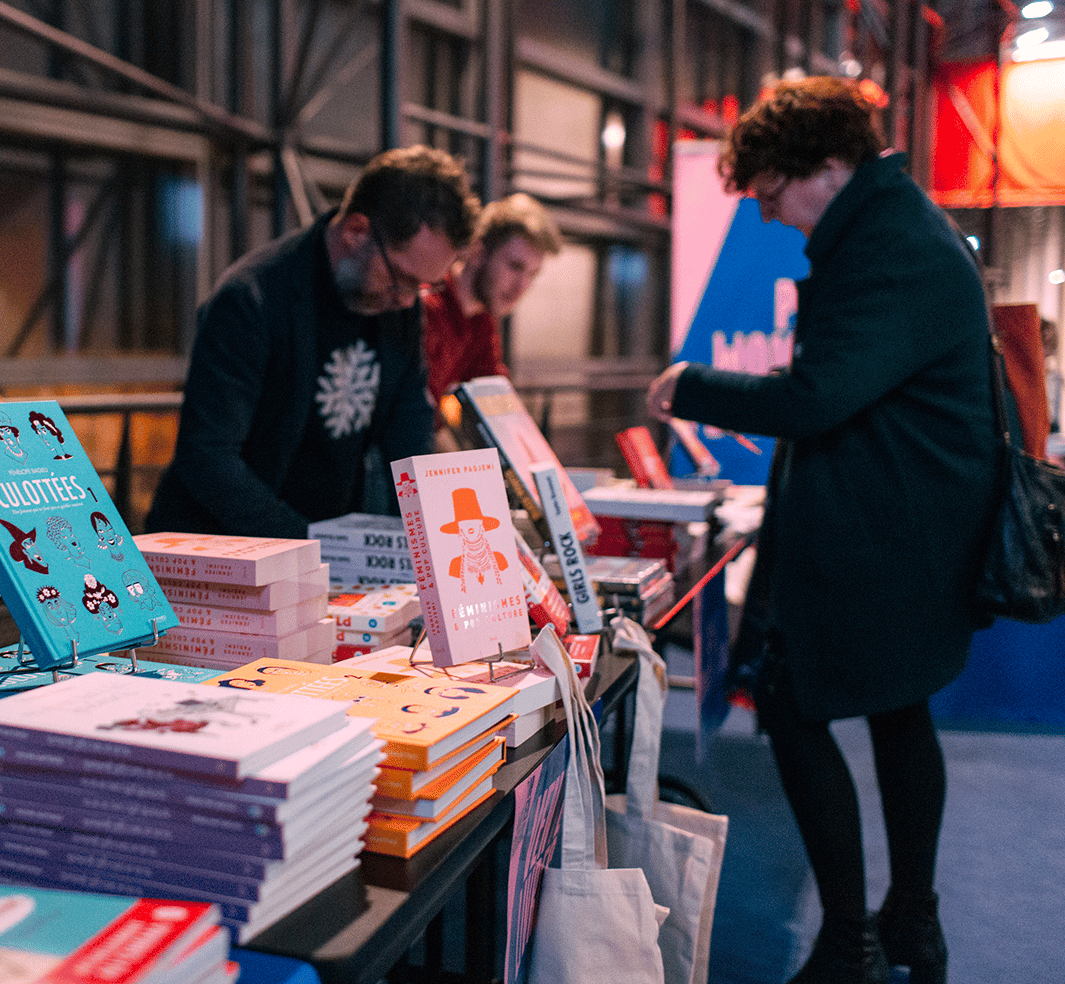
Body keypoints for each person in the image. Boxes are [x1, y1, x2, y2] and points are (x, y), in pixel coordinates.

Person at [646, 77, 1001, 984]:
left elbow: (815, 399)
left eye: (771, 193)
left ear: (828, 166)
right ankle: (908, 924)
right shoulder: (893, 228)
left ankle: (853, 941)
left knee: (798, 710)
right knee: (897, 711)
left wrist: (687, 385)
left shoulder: (890, 247)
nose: (770, 217)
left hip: (888, 537)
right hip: (905, 526)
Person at [146, 145, 479, 538]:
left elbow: (408, 425)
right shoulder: (252, 299)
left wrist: (436, 535)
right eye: (402, 279)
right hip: (223, 550)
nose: (408, 300)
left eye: (424, 286)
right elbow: (208, 459)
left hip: (324, 545)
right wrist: (312, 547)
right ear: (357, 232)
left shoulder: (399, 305)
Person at [421, 191, 561, 432]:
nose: (522, 287)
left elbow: (498, 408)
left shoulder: (482, 321)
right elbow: (420, 422)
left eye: (532, 274)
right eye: (515, 266)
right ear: (477, 252)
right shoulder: (427, 308)